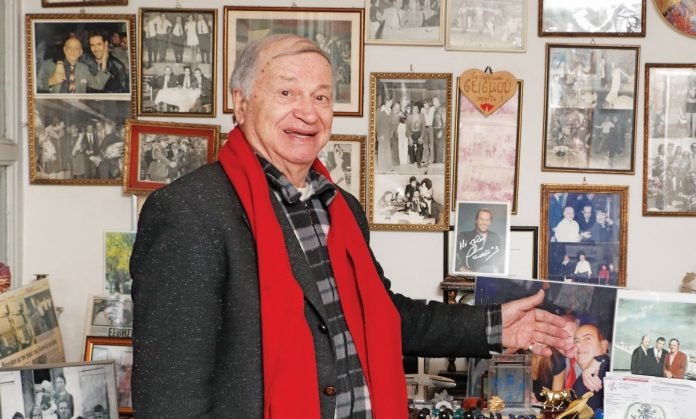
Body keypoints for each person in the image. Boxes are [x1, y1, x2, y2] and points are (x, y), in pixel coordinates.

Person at [130, 34, 570, 418]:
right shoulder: (189, 211)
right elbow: (170, 397)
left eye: (321, 97)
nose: (308, 113)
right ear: (241, 103)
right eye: (286, 92)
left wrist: (494, 326)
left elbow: (385, 316)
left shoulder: (342, 208)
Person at [37, 37, 110, 94]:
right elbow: (36, 85)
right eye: (69, 47)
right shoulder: (49, 65)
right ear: (64, 49)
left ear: (80, 52)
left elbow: (98, 84)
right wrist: (50, 82)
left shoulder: (84, 69)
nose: (73, 51)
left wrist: (104, 64)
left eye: (76, 48)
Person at [571, 323, 610, 411]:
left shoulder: (602, 373)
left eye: (587, 339)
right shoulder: (582, 375)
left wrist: (601, 359)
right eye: (576, 341)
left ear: (604, 346)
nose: (579, 345)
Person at [454, 208, 503, 274]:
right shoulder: (463, 236)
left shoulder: (495, 237)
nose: (484, 223)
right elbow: (455, 258)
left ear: (490, 222)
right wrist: (461, 268)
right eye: (481, 219)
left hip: (489, 275)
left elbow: (499, 259)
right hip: (469, 276)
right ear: (476, 221)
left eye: (487, 220)